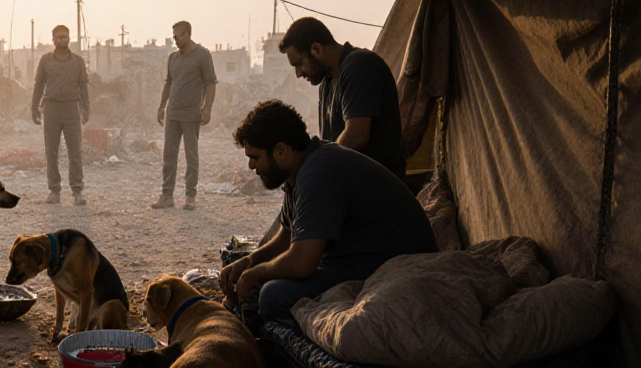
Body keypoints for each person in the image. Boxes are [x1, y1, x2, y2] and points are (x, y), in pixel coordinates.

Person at [219, 100, 436, 327]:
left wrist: (255, 275)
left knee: (273, 294)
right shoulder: (302, 170)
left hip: (390, 263)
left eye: (254, 157)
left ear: (281, 150)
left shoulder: (318, 174)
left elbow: (302, 263)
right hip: (358, 257)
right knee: (264, 281)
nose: (251, 167)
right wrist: (248, 262)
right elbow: (286, 236)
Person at [279, 17, 407, 179]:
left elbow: (356, 136)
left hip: (377, 190)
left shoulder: (359, 66)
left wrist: (319, 172)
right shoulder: (328, 82)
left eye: (298, 64)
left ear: (317, 49)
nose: (298, 73)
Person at [153, 21, 217, 211]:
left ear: (187, 34)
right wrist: (161, 107)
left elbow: (210, 83)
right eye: (173, 36)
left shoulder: (202, 55)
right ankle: (167, 195)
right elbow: (169, 84)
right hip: (173, 113)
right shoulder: (173, 58)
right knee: (169, 154)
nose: (175, 39)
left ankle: (190, 196)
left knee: (191, 156)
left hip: (191, 113)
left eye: (178, 36)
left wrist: (207, 109)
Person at [31, 25, 90, 206]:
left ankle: (77, 191)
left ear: (69, 39)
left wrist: (86, 109)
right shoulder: (45, 60)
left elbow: (83, 86)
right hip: (51, 109)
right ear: (53, 39)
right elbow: (39, 85)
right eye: (59, 37)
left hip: (71, 109)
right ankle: (54, 191)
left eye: (65, 37)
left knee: (75, 152)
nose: (62, 40)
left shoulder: (78, 62)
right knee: (51, 152)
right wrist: (34, 107)